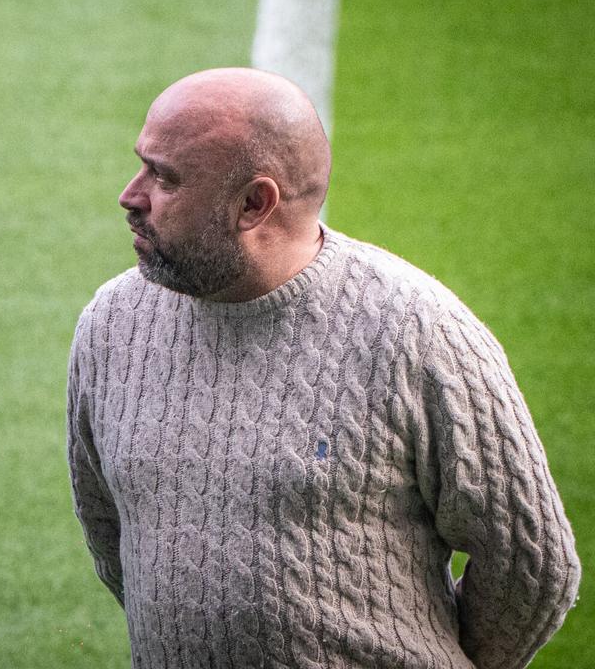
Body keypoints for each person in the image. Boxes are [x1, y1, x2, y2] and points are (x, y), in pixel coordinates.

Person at [67, 68, 579, 668]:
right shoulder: (114, 326)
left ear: (254, 204)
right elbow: (109, 528)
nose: (131, 195)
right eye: (142, 165)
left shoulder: (417, 333)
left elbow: (531, 565)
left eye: (165, 178)